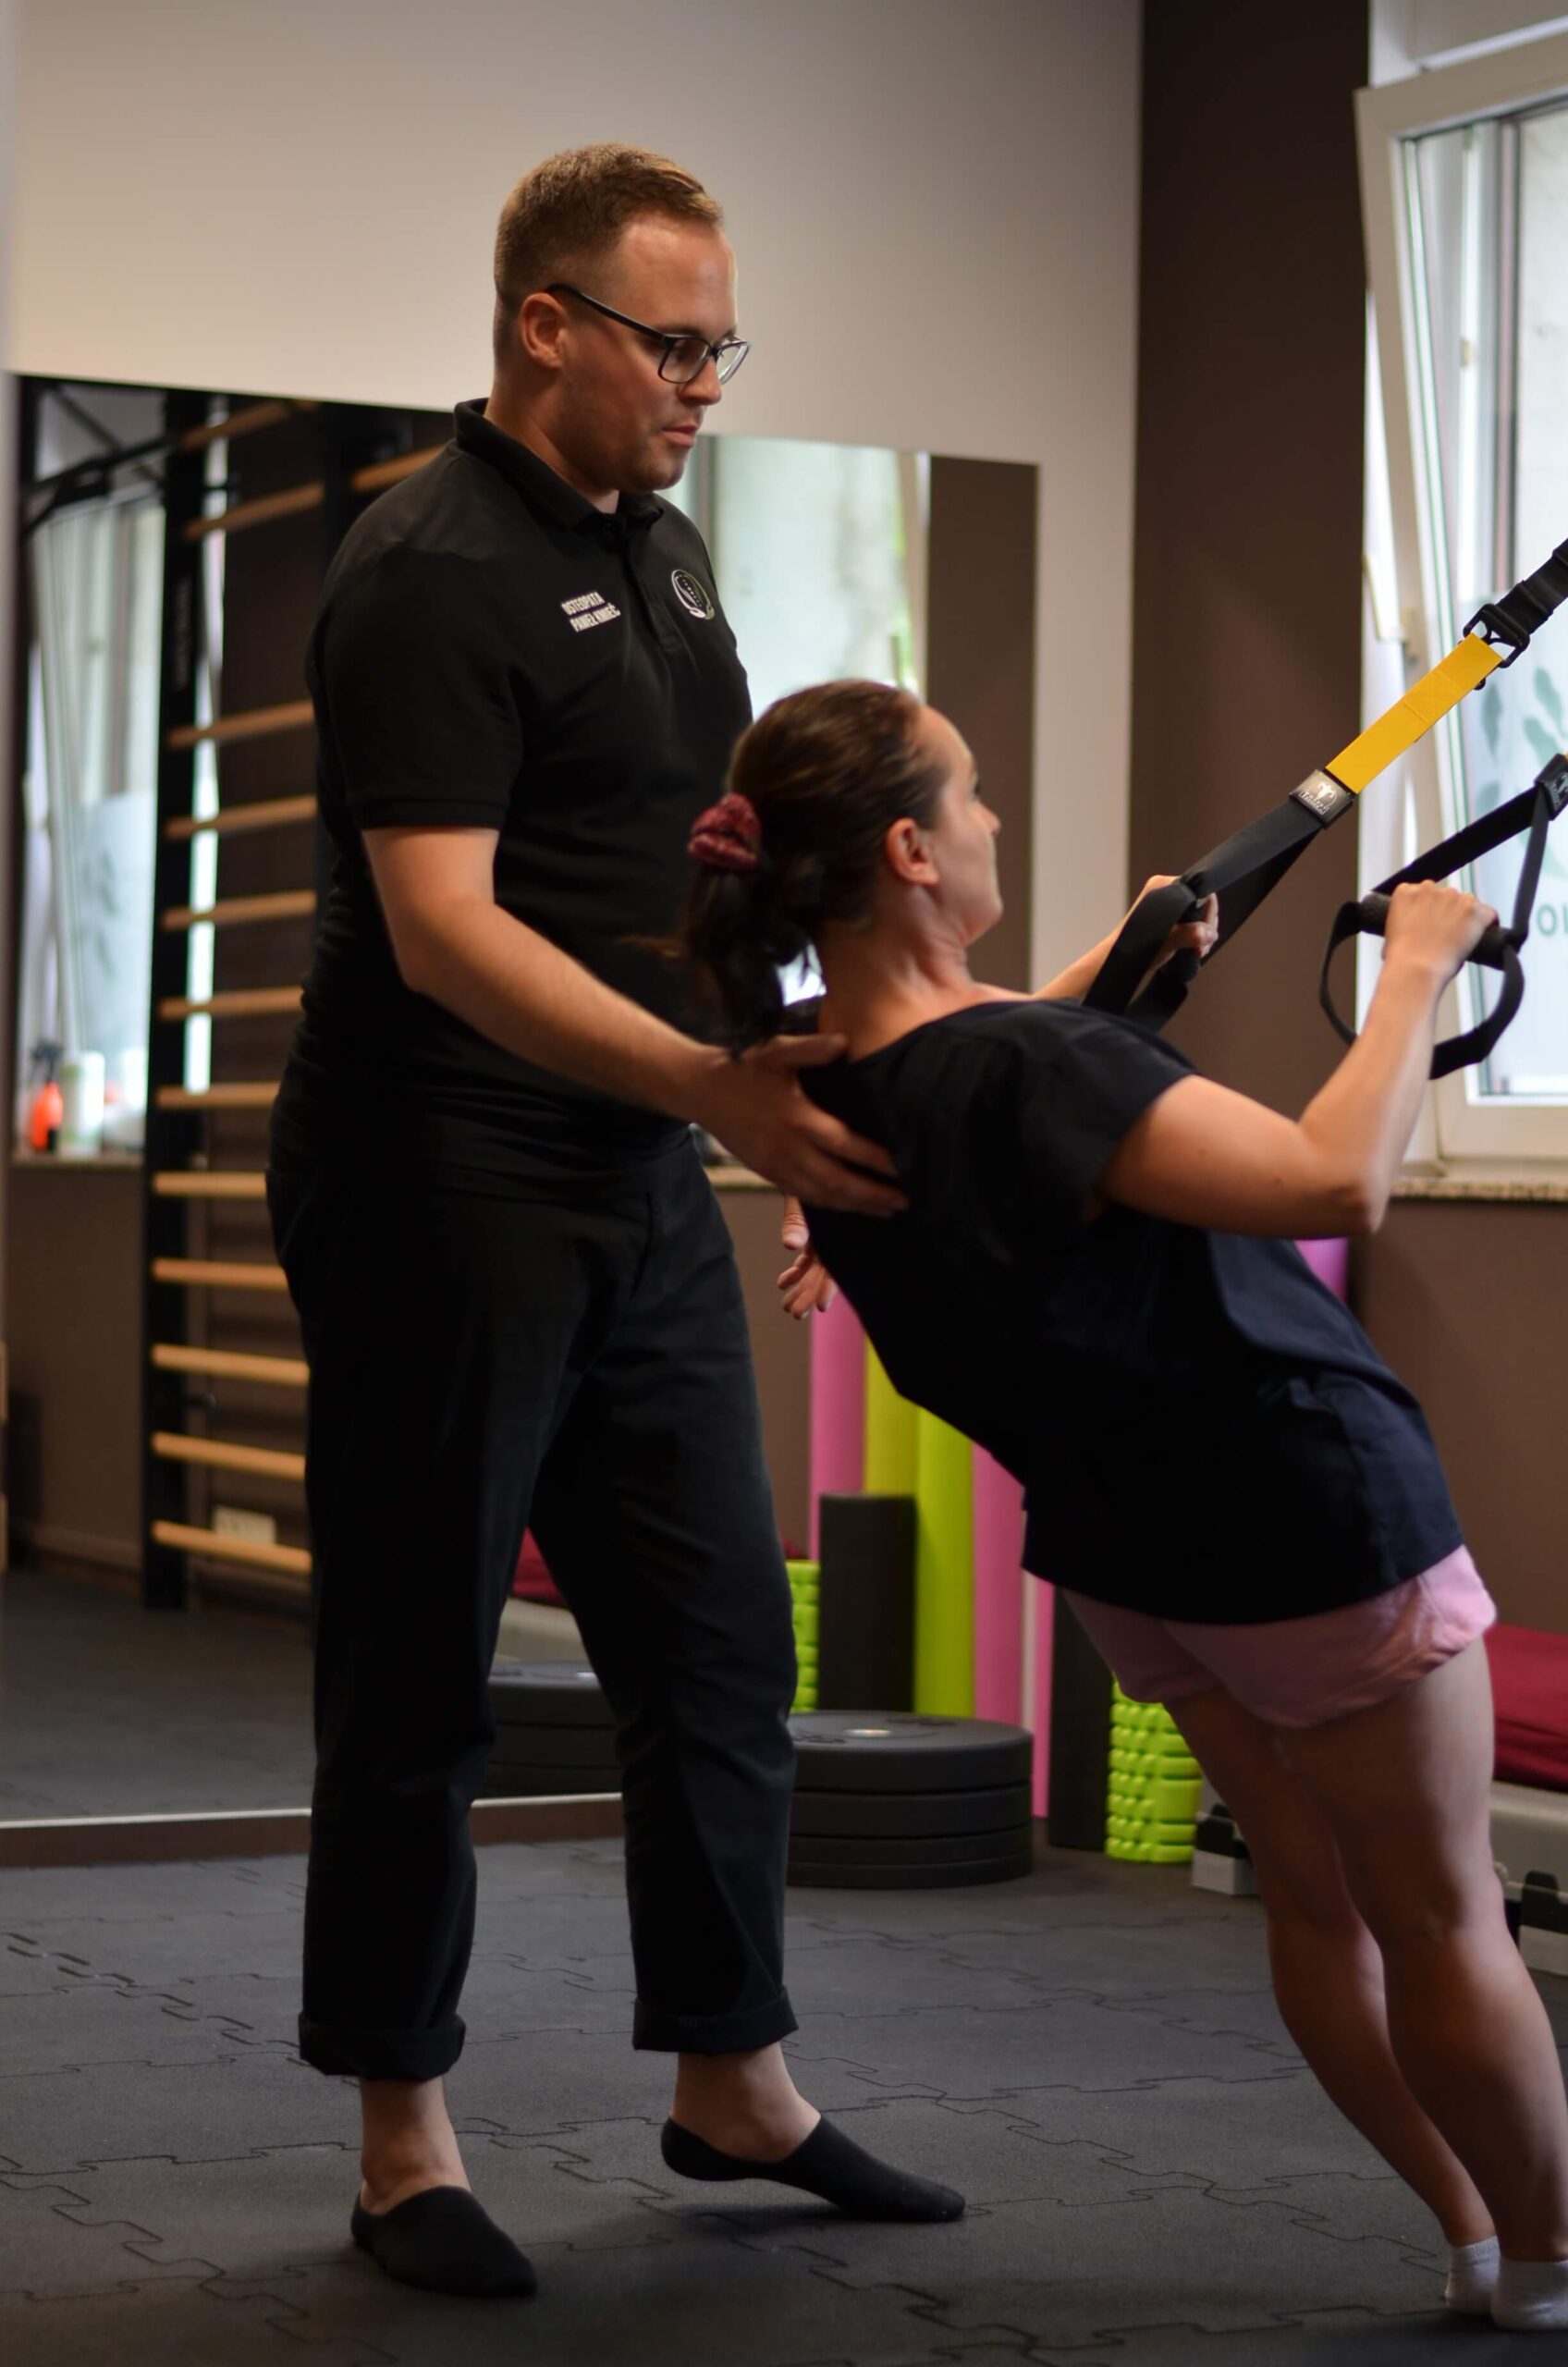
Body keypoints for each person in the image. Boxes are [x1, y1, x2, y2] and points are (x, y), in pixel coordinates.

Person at [266, 149, 962, 2302]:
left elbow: (695, 888)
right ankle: (401, 2134)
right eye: (671, 344)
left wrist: (790, 1107)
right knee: (422, 1663)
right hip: (437, 1167)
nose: (702, 385)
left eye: (721, 346)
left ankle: (733, 2074)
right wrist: (705, 1087)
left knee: (719, 1639)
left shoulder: (664, 552)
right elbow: (445, 928)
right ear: (543, 326)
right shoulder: (423, 567)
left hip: (637, 1163)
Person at [674, 678, 1568, 2336]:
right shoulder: (1034, 1063)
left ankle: (1472, 2232)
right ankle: (1550, 2259)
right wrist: (1417, 971)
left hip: (1135, 1561)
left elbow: (988, 1047)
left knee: (1317, 1902)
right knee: (1447, 1913)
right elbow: (1335, 1179)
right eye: (971, 793)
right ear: (909, 851)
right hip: (1310, 1525)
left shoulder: (807, 1088)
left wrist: (1124, 958)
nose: (994, 818)